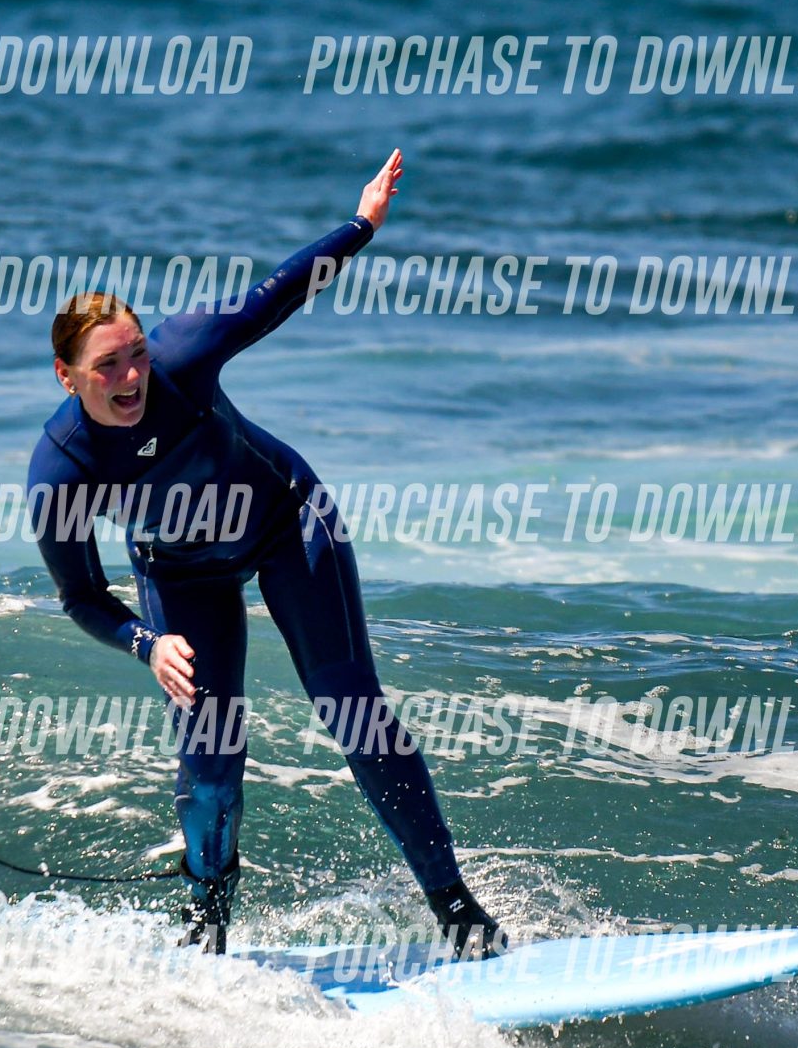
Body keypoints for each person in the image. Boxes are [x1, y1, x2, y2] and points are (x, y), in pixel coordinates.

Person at [28, 151, 505, 957]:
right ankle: (207, 929)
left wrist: (361, 225)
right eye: (107, 365)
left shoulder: (184, 354)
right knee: (211, 755)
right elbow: (81, 595)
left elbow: (275, 295)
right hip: (181, 571)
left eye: (135, 351)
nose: (132, 375)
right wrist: (146, 644)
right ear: (67, 377)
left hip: (288, 521)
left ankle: (457, 910)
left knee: (354, 710)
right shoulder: (61, 470)